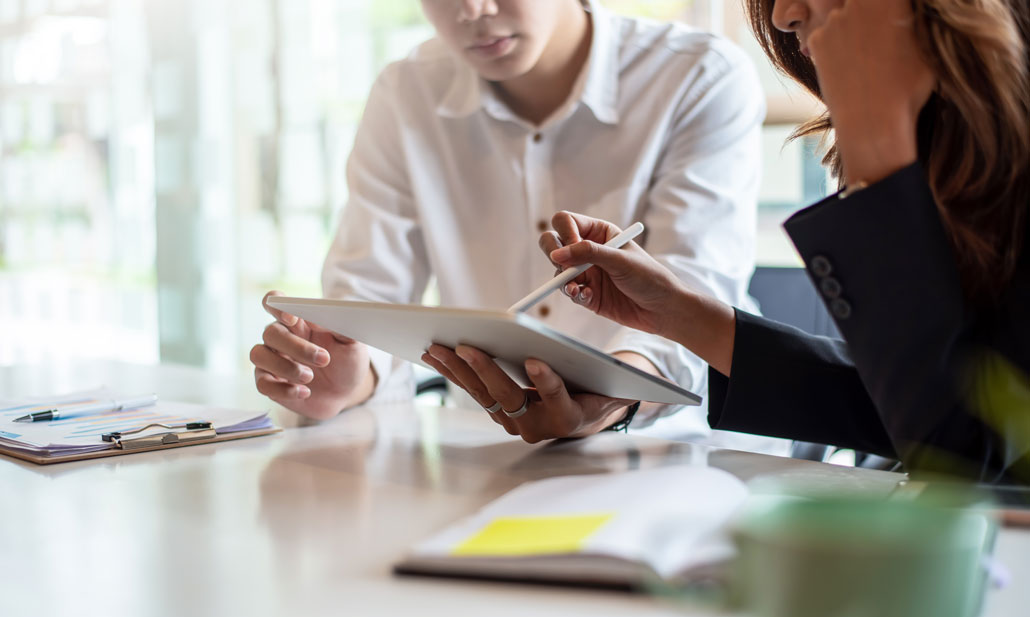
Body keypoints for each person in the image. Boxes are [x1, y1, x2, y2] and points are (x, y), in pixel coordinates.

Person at [251, 0, 787, 452]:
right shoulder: (405, 94)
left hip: (678, 451)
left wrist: (607, 397)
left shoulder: (696, 76)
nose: (472, 11)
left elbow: (696, 305)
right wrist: (347, 376)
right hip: (486, 452)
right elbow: (369, 302)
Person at [535, 0, 1030, 481]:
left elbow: (964, 458)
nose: (780, 14)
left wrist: (878, 159)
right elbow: (924, 405)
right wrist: (677, 314)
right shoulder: (952, 138)